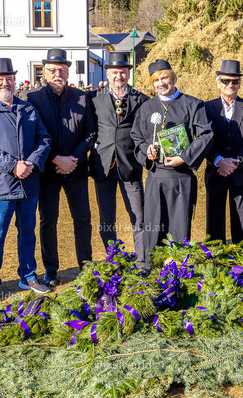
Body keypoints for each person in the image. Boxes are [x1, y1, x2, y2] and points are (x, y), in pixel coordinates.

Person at [0, 58, 52, 301]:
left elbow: (44, 139)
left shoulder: (27, 109)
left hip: (28, 183)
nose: (5, 83)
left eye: (9, 79)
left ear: (15, 81)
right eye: (0, 79)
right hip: (2, 185)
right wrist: (12, 166)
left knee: (28, 232)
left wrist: (32, 163)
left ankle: (28, 275)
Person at [131, 59, 213, 271]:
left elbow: (205, 135)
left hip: (181, 177)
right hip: (156, 178)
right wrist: (147, 151)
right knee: (154, 227)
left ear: (173, 78)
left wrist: (184, 157)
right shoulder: (146, 107)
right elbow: (137, 137)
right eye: (156, 80)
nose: (161, 83)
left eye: (164, 78)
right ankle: (152, 270)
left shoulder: (193, 104)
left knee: (179, 226)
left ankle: (178, 272)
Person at [27, 49, 96, 286]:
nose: (58, 74)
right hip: (47, 172)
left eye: (62, 70)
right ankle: (51, 270)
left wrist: (73, 158)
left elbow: (91, 132)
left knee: (83, 219)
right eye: (53, 70)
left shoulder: (81, 97)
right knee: (48, 220)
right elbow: (33, 136)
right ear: (45, 72)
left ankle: (85, 266)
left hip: (76, 169)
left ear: (68, 72)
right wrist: (56, 158)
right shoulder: (33, 99)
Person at [88, 52, 149, 268]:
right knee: (107, 218)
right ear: (107, 74)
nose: (118, 76)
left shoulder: (142, 100)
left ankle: (142, 261)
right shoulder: (93, 98)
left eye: (122, 72)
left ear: (128, 74)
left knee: (139, 216)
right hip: (103, 166)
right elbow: (89, 129)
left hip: (130, 165)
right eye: (114, 72)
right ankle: (113, 260)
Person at [204, 60, 243, 248]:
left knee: (241, 216)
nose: (230, 85)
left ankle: (242, 255)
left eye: (235, 81)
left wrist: (235, 163)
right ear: (218, 83)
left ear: (240, 83)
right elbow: (204, 138)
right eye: (226, 81)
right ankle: (214, 255)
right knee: (214, 216)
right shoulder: (206, 108)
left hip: (239, 172)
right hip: (215, 171)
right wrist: (218, 160)